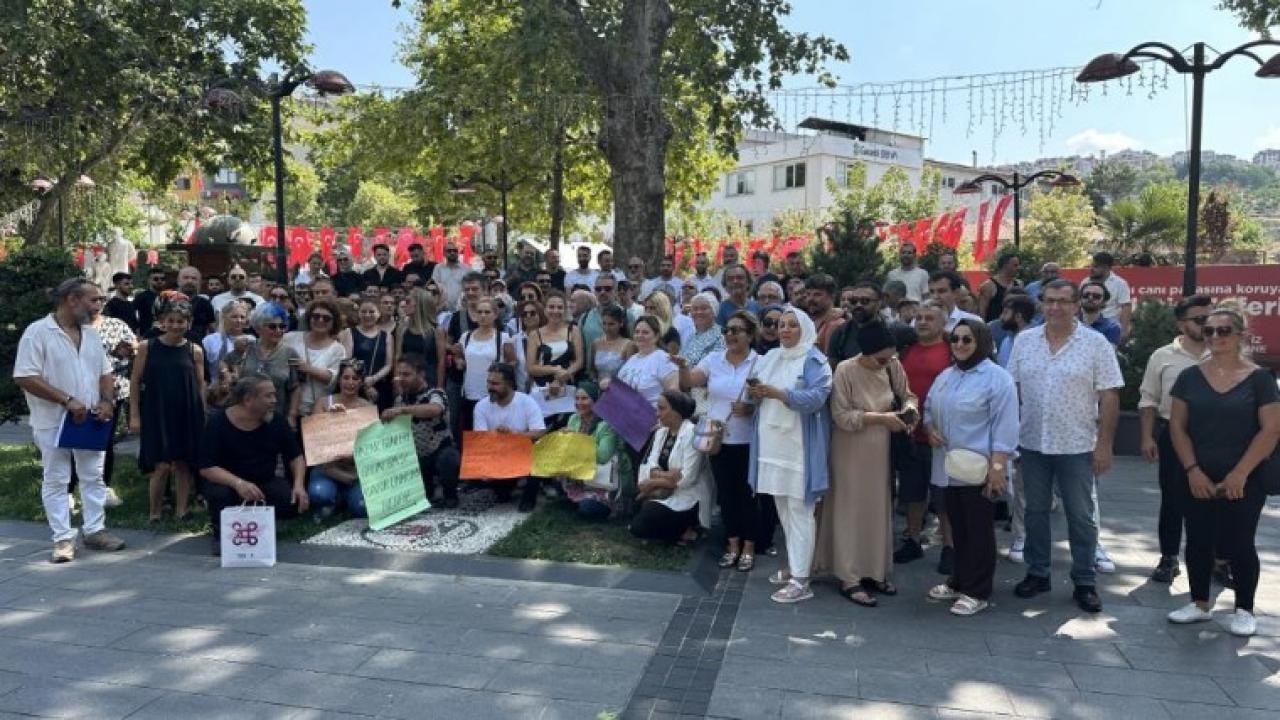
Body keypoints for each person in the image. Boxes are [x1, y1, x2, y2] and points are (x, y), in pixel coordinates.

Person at [1008, 279, 1123, 613]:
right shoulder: (1025, 341)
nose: (1055, 307)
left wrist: (1105, 445)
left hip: (1077, 445)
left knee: (1081, 516)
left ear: (1076, 305)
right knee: (1035, 512)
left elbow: (1110, 395)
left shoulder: (1095, 343)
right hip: (1032, 442)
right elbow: (1012, 389)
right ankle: (1038, 573)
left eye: (1062, 301)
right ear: (1041, 303)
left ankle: (1085, 580)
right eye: (1049, 301)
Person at [1167, 305, 1280, 637]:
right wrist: (1192, 470)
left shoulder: (1260, 379)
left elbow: (1271, 429)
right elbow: (1177, 427)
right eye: (1209, 330)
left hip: (1245, 478)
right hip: (1197, 474)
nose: (1215, 336)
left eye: (1224, 330)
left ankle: (1244, 608)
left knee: (1239, 541)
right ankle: (1199, 603)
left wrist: (1240, 473)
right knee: (1198, 538)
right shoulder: (1189, 377)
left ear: (1240, 335)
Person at [14, 278, 127, 562]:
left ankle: (95, 531)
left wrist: (106, 401)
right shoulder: (38, 332)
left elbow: (105, 372)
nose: (99, 305)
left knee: (93, 475)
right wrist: (65, 400)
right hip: (52, 420)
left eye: (100, 300)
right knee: (57, 478)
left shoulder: (90, 334)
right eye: (93, 300)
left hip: (90, 419)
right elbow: (25, 376)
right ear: (72, 300)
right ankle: (63, 538)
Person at [816, 322, 916, 607]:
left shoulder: (892, 364)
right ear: (866, 352)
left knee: (877, 507)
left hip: (882, 448)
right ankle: (849, 575)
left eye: (890, 356)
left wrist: (909, 410)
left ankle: (874, 570)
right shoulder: (845, 370)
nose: (887, 362)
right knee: (850, 509)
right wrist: (880, 418)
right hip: (850, 448)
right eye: (881, 358)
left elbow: (907, 394)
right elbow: (841, 416)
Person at [923, 318, 1019, 616]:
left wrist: (998, 466)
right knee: (958, 527)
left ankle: (977, 590)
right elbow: (929, 408)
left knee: (978, 530)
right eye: (955, 339)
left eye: (967, 339)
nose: (960, 345)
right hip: (949, 467)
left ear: (982, 342)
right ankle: (959, 580)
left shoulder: (997, 379)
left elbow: (1006, 424)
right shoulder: (947, 375)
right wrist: (930, 429)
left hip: (980, 468)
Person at [747, 308, 832, 604]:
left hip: (799, 446)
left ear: (805, 329)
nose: (785, 330)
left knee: (800, 510)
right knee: (782, 507)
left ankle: (801, 580)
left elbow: (817, 398)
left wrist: (779, 394)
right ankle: (797, 565)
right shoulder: (770, 357)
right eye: (781, 324)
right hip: (771, 444)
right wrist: (755, 393)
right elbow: (753, 394)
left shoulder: (815, 360)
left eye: (792, 325)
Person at [677, 310, 759, 570]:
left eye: (736, 330)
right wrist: (682, 366)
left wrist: (752, 408)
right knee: (726, 494)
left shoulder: (760, 362)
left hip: (749, 441)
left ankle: (749, 547)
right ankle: (732, 544)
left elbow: (768, 400)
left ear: (750, 335)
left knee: (748, 496)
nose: (730, 335)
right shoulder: (713, 359)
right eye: (727, 330)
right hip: (718, 440)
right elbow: (688, 382)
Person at [1139, 294, 1212, 583]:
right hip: (1172, 433)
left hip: (1215, 436)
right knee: (1173, 499)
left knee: (1216, 498)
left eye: (1210, 317)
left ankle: (1217, 559)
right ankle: (1169, 557)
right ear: (1182, 324)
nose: (1207, 325)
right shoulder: (1162, 356)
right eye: (1200, 319)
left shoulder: (1223, 351)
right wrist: (1147, 437)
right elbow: (1149, 400)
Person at [198, 375, 309, 555]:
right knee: (219, 494)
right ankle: (222, 534)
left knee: (287, 500)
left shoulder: (276, 421)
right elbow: (207, 467)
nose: (274, 400)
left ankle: (260, 522)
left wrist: (299, 485)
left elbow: (296, 457)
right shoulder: (217, 422)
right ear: (248, 400)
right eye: (268, 396)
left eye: (274, 395)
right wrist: (238, 483)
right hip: (228, 483)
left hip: (263, 481)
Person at [129, 291, 206, 522]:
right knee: (161, 465)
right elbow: (135, 381)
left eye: (181, 321)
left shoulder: (195, 350)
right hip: (157, 411)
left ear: (188, 323)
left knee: (183, 463)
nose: (175, 325)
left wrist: (202, 414)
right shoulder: (147, 347)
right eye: (170, 320)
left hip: (187, 411)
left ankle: (182, 510)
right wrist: (134, 415)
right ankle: (154, 512)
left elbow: (201, 384)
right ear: (162, 321)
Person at [892, 301, 952, 567]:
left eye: (929, 318)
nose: (923, 322)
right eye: (919, 318)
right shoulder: (906, 350)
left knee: (944, 496)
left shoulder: (953, 350)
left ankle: (950, 546)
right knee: (912, 493)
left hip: (942, 436)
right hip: (910, 434)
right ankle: (913, 540)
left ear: (943, 323)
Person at [631, 389, 710, 545]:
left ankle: (690, 529)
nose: (657, 413)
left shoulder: (692, 433)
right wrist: (667, 476)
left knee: (644, 519)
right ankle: (680, 533)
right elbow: (651, 466)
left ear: (677, 412)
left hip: (688, 497)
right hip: (663, 492)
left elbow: (687, 479)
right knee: (638, 507)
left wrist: (654, 481)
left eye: (662, 409)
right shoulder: (661, 432)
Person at [385, 354, 461, 508]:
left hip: (439, 449)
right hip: (416, 457)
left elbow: (434, 409)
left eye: (406, 374)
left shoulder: (436, 393)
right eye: (399, 374)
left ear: (421, 374)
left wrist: (402, 411)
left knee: (449, 458)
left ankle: (450, 493)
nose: (401, 379)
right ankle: (428, 490)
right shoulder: (400, 400)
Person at [474, 362, 547, 510]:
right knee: (502, 495)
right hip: (497, 454)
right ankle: (506, 485)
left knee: (539, 455)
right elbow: (480, 438)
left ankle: (529, 498)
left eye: (495, 384)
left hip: (522, 451)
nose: (490, 387)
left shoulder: (527, 402)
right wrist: (496, 437)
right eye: (489, 382)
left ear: (509, 384)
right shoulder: (481, 406)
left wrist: (515, 435)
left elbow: (540, 432)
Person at [307, 361, 373, 520]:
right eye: (346, 377)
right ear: (339, 380)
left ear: (361, 382)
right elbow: (315, 443)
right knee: (319, 493)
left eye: (355, 378)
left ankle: (342, 499)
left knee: (362, 508)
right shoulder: (323, 403)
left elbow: (369, 447)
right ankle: (334, 498)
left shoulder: (367, 407)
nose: (350, 382)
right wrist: (331, 420)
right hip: (327, 468)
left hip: (355, 471)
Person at [223, 302, 302, 428]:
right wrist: (226, 374)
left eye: (282, 326)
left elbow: (295, 387)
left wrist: (292, 416)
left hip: (275, 419)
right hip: (244, 417)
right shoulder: (246, 347)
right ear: (258, 328)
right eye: (272, 326)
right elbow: (224, 362)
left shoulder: (290, 353)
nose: (278, 330)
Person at [454, 298, 517, 434]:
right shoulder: (466, 337)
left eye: (487, 312)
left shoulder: (503, 338)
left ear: (495, 315)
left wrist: (502, 370)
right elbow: (458, 355)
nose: (483, 315)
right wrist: (459, 361)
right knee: (472, 434)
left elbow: (513, 362)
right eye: (480, 312)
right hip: (469, 393)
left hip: (494, 395)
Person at [562, 383, 621, 519]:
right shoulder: (574, 418)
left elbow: (602, 457)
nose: (579, 403)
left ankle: (600, 503)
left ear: (596, 401)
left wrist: (577, 439)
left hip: (600, 481)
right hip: (579, 475)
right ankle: (577, 495)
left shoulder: (606, 424)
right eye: (577, 398)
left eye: (584, 398)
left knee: (587, 508)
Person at [826, 282, 917, 369]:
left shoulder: (898, 331)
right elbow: (833, 369)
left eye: (865, 301)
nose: (858, 305)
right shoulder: (841, 333)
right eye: (854, 301)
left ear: (879, 303)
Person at [284, 298, 347, 417]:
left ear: (334, 322)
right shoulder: (290, 338)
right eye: (316, 316)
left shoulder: (338, 349)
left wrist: (306, 368)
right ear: (309, 318)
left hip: (317, 410)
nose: (320, 320)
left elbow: (333, 378)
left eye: (326, 318)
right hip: (286, 406)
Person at [526, 292, 585, 413]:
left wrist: (564, 375)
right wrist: (555, 370)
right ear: (545, 309)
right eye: (551, 307)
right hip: (542, 389)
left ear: (565, 310)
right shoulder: (534, 335)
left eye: (559, 307)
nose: (555, 311)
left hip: (567, 387)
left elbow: (579, 361)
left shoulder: (573, 331)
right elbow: (531, 367)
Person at [340, 298, 396, 413]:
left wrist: (374, 379)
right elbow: (348, 361)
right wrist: (364, 383)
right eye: (363, 311)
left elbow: (388, 365)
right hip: (355, 385)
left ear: (378, 313)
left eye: (371, 312)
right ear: (358, 313)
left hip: (380, 386)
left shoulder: (387, 336)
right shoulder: (349, 333)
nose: (367, 315)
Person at [616, 316, 680, 408]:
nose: (640, 335)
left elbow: (673, 393)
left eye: (645, 332)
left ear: (656, 336)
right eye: (637, 332)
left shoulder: (663, 359)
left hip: (652, 413)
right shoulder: (632, 359)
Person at [398, 287, 447, 390]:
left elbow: (441, 362)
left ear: (419, 304)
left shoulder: (436, 331)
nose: (404, 305)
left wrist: (439, 387)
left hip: (428, 381)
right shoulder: (403, 329)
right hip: (406, 381)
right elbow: (398, 357)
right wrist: (397, 383)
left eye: (408, 302)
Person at [202, 300, 250, 382]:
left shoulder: (251, 341)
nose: (239, 320)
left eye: (242, 317)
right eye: (234, 317)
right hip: (215, 385)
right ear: (224, 317)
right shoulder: (209, 340)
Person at [589, 304, 634, 387]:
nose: (607, 328)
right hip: (598, 388)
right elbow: (592, 371)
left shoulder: (628, 345)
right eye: (604, 323)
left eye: (611, 324)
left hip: (619, 389)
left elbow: (630, 374)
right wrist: (595, 383)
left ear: (621, 323)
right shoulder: (596, 343)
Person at [1089, 252, 1132, 339]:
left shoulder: (1120, 284)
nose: (1091, 269)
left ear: (1106, 268)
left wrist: (1123, 330)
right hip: (1088, 327)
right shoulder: (1086, 282)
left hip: (1110, 329)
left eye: (1095, 266)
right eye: (1091, 266)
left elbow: (1126, 307)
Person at [679, 292, 724, 368]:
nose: (699, 312)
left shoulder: (721, 336)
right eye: (695, 309)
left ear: (714, 311)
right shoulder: (691, 336)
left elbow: (715, 366)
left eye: (704, 308)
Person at [805, 274, 844, 355]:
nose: (810, 299)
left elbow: (829, 359)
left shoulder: (837, 324)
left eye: (817, 294)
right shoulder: (806, 322)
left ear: (832, 296)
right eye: (808, 294)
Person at [977, 251, 1022, 322]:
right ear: (1005, 265)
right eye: (1015, 265)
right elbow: (981, 312)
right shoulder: (989, 286)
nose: (1018, 268)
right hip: (994, 326)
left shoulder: (1019, 284)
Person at [579, 273, 617, 351]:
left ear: (615, 291)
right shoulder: (584, 318)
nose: (602, 292)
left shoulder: (626, 316)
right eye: (598, 289)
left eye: (607, 289)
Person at [1079, 280, 1122, 346]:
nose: (1090, 298)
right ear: (1080, 299)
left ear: (1104, 302)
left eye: (1096, 296)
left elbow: (1109, 351)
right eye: (1086, 295)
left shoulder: (1112, 327)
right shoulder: (1070, 323)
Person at [431, 242, 469, 310]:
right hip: (443, 309)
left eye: (455, 251)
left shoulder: (466, 269)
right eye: (449, 251)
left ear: (458, 253)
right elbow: (434, 288)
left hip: (462, 309)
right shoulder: (438, 268)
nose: (452, 253)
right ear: (444, 253)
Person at [134, 267, 168, 332]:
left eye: (162, 279)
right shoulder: (142, 297)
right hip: (147, 333)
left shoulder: (168, 296)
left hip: (167, 333)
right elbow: (131, 314)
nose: (160, 281)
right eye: (156, 279)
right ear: (149, 280)